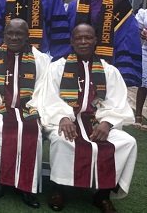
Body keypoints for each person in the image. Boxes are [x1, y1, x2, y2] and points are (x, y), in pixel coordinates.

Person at [40, 24, 137, 212]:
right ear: (72, 41)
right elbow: (48, 98)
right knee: (62, 141)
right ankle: (59, 189)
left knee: (127, 142)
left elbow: (118, 102)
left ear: (95, 41)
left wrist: (107, 123)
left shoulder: (109, 71)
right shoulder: (57, 68)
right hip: (67, 120)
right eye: (78, 38)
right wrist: (62, 118)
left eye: (88, 38)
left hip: (97, 122)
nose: (83, 42)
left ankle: (102, 195)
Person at [0, 18, 50, 208]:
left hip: (29, 107)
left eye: (19, 34)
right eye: (10, 33)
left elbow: (43, 88)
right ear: (4, 35)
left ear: (27, 36)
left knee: (31, 132)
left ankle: (27, 187)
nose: (14, 37)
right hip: (0, 106)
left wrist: (36, 108)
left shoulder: (40, 58)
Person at [67, 0, 141, 87]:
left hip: (110, 64)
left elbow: (128, 39)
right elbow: (69, 37)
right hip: (79, 64)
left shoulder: (122, 6)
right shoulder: (76, 5)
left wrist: (122, 70)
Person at [135, 8, 147, 129]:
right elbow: (136, 29)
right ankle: (138, 115)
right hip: (146, 50)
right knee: (143, 82)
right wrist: (142, 33)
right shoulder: (144, 13)